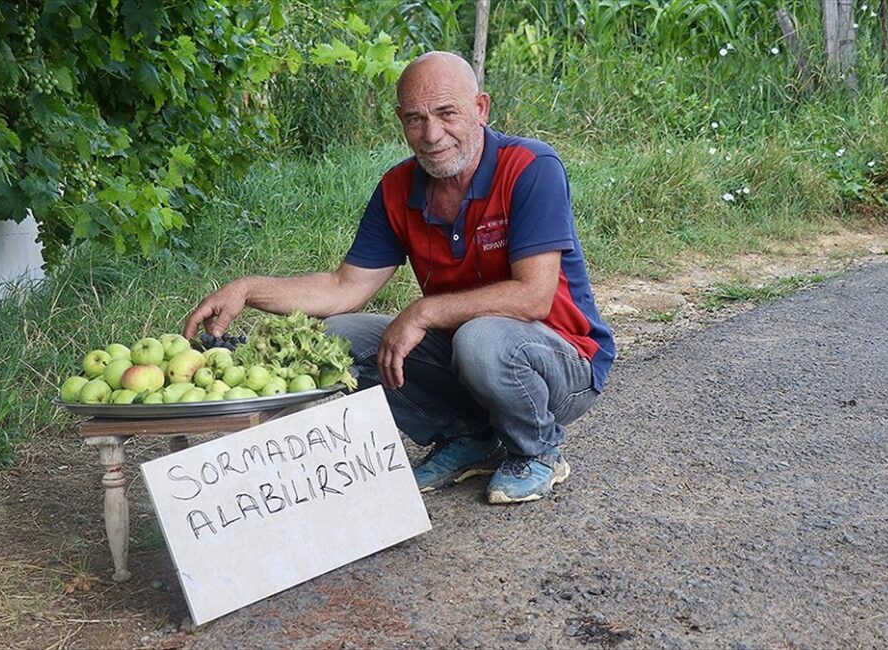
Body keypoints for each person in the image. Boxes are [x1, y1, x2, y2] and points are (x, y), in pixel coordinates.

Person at [183, 51, 615, 504]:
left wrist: (424, 312)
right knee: (337, 336)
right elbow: (343, 287)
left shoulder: (529, 167)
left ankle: (539, 449)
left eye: (447, 114)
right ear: (400, 120)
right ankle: (467, 437)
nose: (431, 135)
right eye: (415, 119)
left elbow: (533, 298)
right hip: (469, 356)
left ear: (481, 109)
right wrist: (248, 289)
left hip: (564, 366)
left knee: (479, 339)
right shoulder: (397, 188)